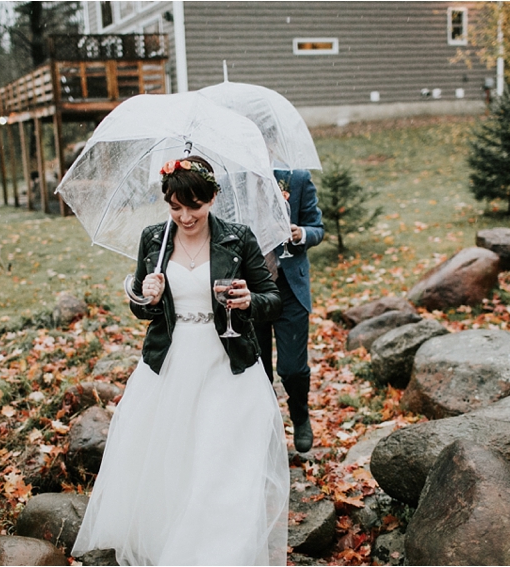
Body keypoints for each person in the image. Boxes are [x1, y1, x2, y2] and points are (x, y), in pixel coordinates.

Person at [72, 156, 290, 565]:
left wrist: (249, 301)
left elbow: (272, 299)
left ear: (213, 198)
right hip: (170, 362)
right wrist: (147, 295)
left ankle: (218, 553)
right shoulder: (154, 239)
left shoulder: (238, 238)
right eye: (175, 207)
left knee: (222, 460)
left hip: (229, 361)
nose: (185, 216)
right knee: (176, 459)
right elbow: (142, 306)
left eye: (195, 206)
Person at [256, 168, 324, 453]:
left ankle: (300, 415)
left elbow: (317, 228)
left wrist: (301, 234)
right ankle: (265, 428)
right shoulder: (230, 180)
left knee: (292, 369)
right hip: (251, 287)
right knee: (258, 371)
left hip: (289, 287)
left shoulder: (296, 178)